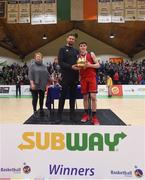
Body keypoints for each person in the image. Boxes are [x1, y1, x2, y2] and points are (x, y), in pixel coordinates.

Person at [57, 33, 80, 123]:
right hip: (65, 77)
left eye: (73, 39)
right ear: (67, 39)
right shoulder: (62, 49)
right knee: (62, 97)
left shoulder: (76, 51)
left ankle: (72, 115)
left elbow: (79, 62)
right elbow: (60, 62)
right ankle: (59, 115)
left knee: (73, 97)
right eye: (70, 38)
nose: (71, 40)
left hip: (74, 77)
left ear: (74, 41)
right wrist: (71, 67)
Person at [78, 42, 100, 125]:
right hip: (83, 79)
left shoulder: (91, 54)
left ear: (86, 47)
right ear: (79, 48)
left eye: (84, 46)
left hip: (91, 78)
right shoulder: (79, 56)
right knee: (85, 97)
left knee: (93, 97)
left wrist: (90, 65)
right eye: (81, 46)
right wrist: (76, 67)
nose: (82, 47)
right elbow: (81, 68)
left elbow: (98, 65)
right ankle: (86, 114)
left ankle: (94, 117)